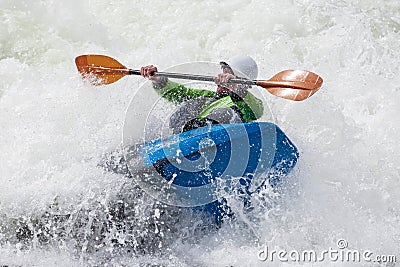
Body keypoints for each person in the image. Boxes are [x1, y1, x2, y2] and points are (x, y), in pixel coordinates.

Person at [140, 55, 264, 134]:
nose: (223, 78)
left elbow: (257, 111)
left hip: (214, 142)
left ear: (245, 85)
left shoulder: (245, 104)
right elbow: (178, 93)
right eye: (223, 73)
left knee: (225, 114)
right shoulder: (206, 97)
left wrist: (237, 89)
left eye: (230, 76)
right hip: (182, 140)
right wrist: (159, 80)